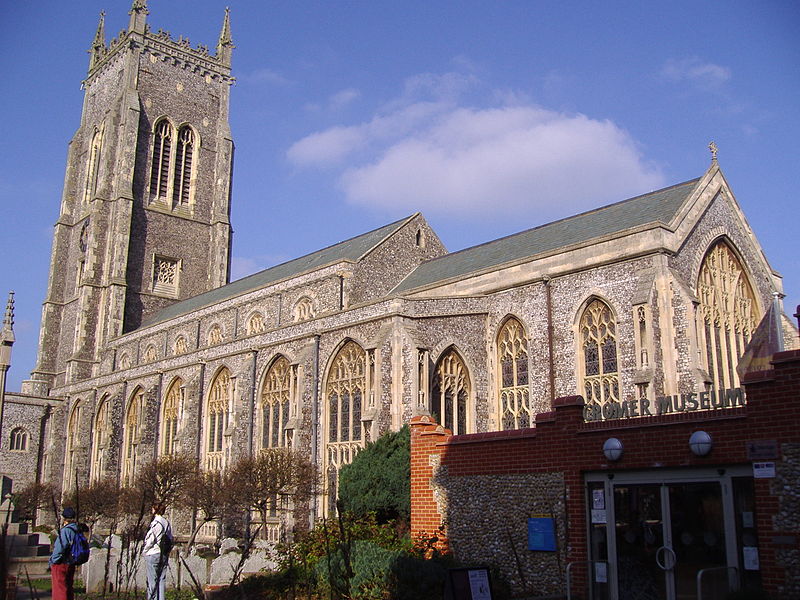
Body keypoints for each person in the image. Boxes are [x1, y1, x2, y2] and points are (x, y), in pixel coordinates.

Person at [143, 502, 172, 600]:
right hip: (163, 553)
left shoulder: (156, 523)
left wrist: (145, 551)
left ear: (155, 510)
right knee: (161, 580)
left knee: (152, 581)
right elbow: (170, 538)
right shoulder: (166, 523)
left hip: (153, 553)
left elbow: (151, 540)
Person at [49, 507, 79, 600]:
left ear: (64, 518)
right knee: (68, 588)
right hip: (71, 562)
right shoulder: (77, 529)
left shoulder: (66, 530)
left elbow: (60, 548)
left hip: (61, 563)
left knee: (59, 590)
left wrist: (53, 561)